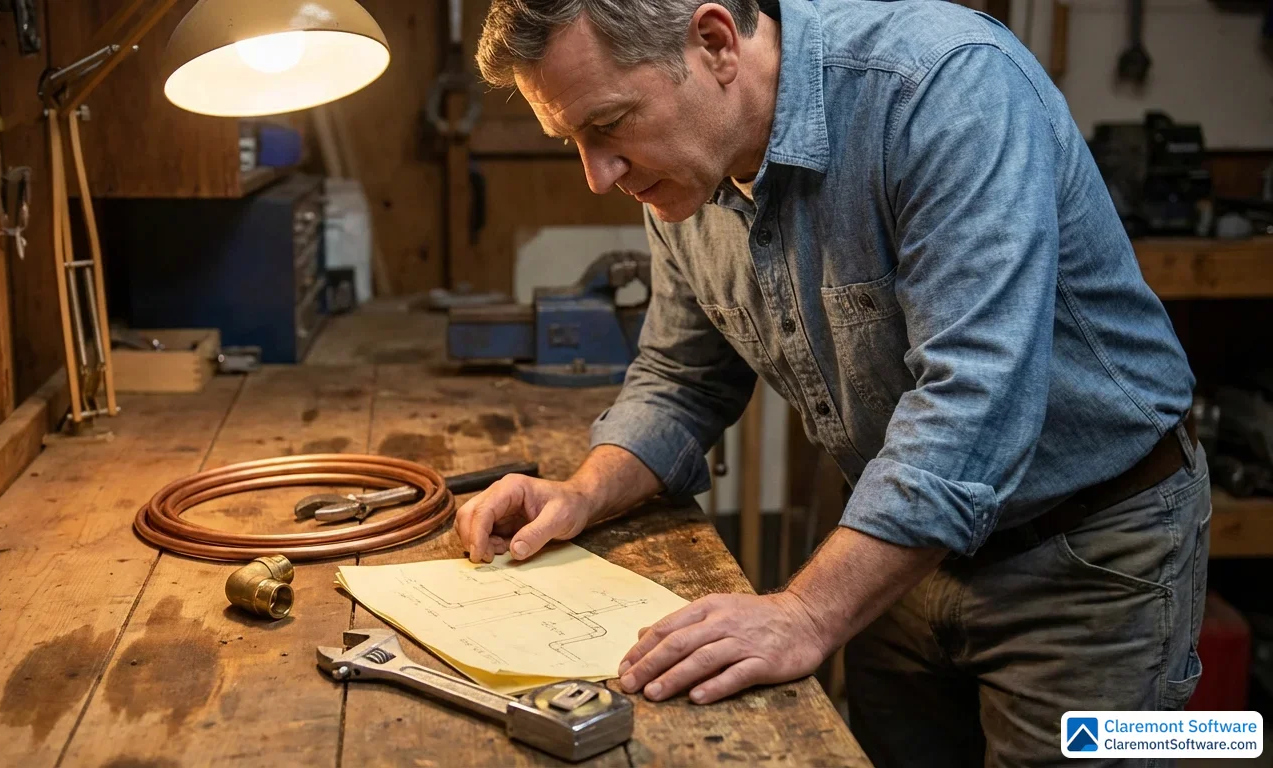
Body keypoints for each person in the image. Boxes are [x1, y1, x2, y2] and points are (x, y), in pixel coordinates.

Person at [455, 1, 1211, 764]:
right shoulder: (684, 171)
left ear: (715, 43)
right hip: (898, 559)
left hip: (1088, 564)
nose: (597, 175)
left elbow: (973, 401)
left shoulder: (943, 86)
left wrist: (808, 612)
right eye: (574, 141)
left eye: (609, 124)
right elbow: (682, 378)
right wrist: (583, 492)